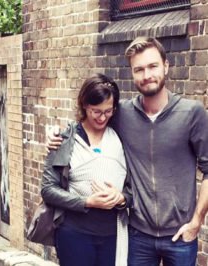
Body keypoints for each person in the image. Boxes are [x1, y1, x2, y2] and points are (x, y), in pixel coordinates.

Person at [47, 37, 208, 266]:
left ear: (166, 65)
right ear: (132, 74)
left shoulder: (192, 113)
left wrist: (196, 222)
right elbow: (90, 118)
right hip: (138, 235)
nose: (147, 75)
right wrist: (58, 134)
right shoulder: (121, 113)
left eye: (152, 66)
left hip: (180, 236)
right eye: (139, 69)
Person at [41, 73, 128, 266]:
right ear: (84, 106)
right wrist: (87, 201)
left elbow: (133, 183)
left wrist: (122, 199)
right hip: (74, 234)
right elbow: (48, 189)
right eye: (96, 111)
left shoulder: (121, 136)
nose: (102, 117)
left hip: (112, 235)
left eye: (108, 111)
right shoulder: (65, 139)